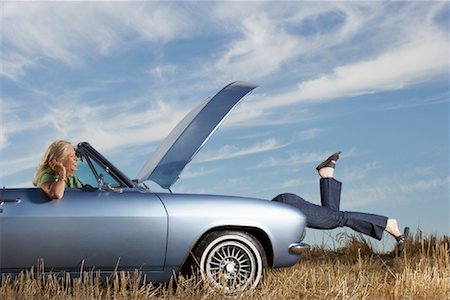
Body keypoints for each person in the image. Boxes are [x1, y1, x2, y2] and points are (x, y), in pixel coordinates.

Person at [272, 152, 409, 256]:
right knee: (332, 214)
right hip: (286, 204)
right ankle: (327, 175)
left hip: (286, 207)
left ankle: (387, 224)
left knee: (339, 218)